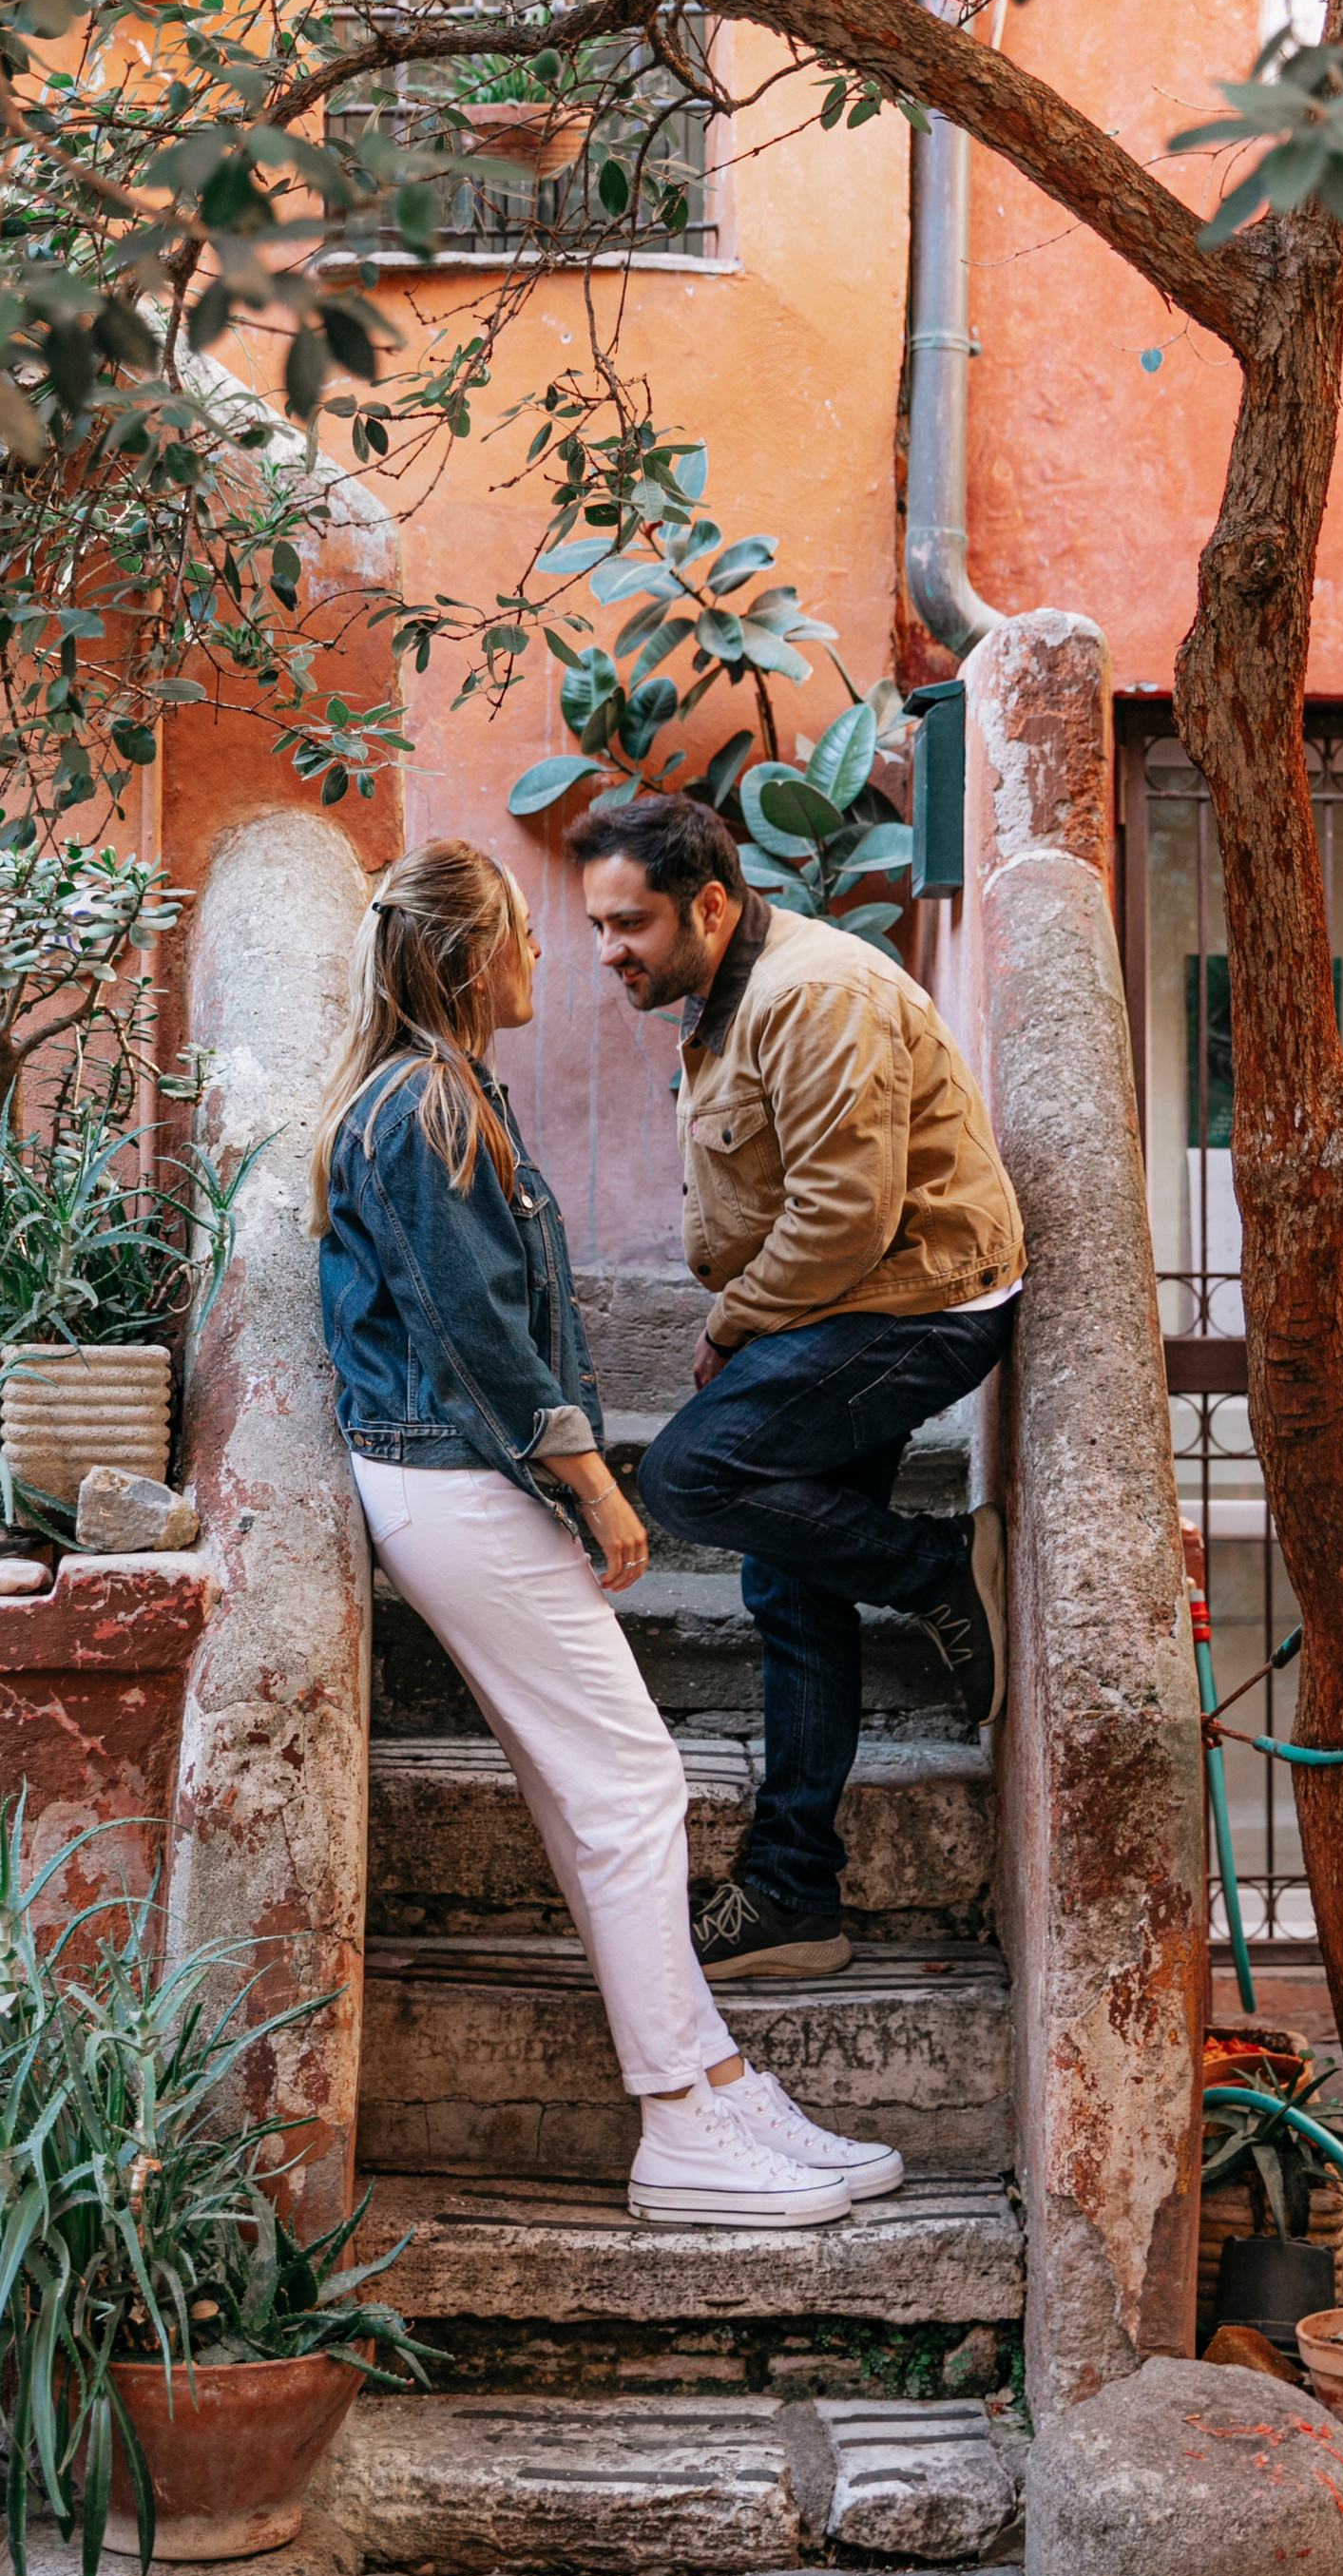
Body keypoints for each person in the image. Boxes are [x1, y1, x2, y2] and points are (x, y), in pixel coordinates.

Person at [310, 836, 905, 2227]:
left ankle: (709, 2084)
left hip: (455, 1483)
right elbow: (478, 1338)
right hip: (456, 1482)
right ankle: (686, 2124)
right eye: (521, 932)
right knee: (635, 1788)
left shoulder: (445, 1098)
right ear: (464, 960)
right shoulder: (422, 1111)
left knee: (599, 1798)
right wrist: (594, 1483)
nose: (545, 955)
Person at [566, 792, 1025, 1983]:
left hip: (919, 1303)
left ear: (709, 904)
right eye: (599, 925)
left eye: (630, 925)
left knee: (688, 1473)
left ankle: (934, 1570)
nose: (607, 951)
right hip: (837, 1301)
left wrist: (733, 1323)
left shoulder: (813, 996)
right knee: (790, 1576)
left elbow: (845, 1217)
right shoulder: (721, 995)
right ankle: (795, 1897)